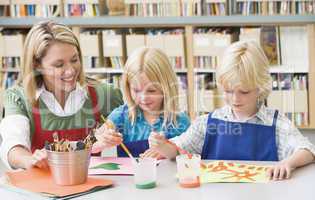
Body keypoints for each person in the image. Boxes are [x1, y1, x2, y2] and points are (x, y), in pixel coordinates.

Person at [147, 40, 315, 180]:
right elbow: (177, 150)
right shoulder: (208, 123)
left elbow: (308, 150)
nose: (235, 99)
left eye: (244, 91)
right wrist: (161, 145)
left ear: (261, 87)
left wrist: (288, 163)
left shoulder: (275, 124)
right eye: (228, 91)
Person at [0, 21, 123, 170]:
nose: (71, 71)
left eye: (74, 60)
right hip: (42, 188)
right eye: (59, 65)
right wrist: (29, 160)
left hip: (91, 188)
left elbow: (137, 128)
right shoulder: (19, 98)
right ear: (37, 65)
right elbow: (13, 146)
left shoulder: (105, 94)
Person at [93, 47, 190, 157]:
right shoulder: (121, 116)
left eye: (151, 90)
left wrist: (167, 150)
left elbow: (189, 157)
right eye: (136, 90)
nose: (143, 98)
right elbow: (91, 147)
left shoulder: (179, 120)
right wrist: (102, 142)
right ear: (127, 87)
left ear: (166, 88)